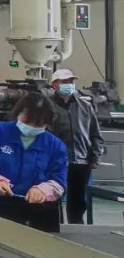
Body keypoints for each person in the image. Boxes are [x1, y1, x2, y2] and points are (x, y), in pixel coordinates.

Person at [0, 93, 67, 220]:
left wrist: (43, 190)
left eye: (39, 124)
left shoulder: (55, 146)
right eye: (27, 120)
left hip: (34, 215)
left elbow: (59, 181)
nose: (31, 126)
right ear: (18, 112)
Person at [45, 69, 105, 224]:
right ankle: (53, 227)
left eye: (71, 81)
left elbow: (95, 134)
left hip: (81, 160)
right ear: (54, 84)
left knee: (77, 201)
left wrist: (95, 156)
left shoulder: (85, 106)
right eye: (65, 82)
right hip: (55, 162)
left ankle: (76, 226)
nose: (70, 84)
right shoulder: (46, 106)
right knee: (52, 196)